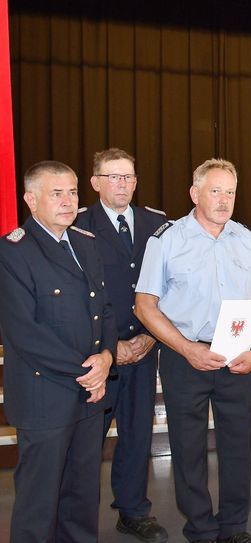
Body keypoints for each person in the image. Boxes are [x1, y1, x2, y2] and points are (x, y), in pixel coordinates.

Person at [135, 158, 251, 543]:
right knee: (188, 449)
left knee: (237, 447)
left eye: (230, 192)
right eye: (215, 191)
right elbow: (144, 305)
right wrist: (185, 349)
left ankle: (233, 527)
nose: (224, 200)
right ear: (195, 194)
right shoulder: (167, 240)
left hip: (237, 357)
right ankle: (200, 527)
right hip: (185, 358)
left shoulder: (245, 239)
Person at [0, 160, 117, 542]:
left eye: (72, 192)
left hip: (88, 394)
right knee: (39, 501)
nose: (68, 202)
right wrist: (89, 371)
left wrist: (107, 357)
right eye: (56, 193)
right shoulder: (13, 251)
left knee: (82, 497)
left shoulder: (85, 243)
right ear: (31, 200)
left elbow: (106, 309)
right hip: (44, 395)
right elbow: (24, 332)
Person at [73, 148, 169, 542]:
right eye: (113, 177)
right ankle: (76, 520)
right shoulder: (78, 225)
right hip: (97, 354)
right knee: (85, 442)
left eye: (128, 176)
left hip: (145, 350)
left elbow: (171, 285)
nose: (122, 184)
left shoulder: (158, 224)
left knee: (136, 435)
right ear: (95, 183)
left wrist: (151, 334)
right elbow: (76, 295)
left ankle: (132, 511)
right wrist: (113, 344)